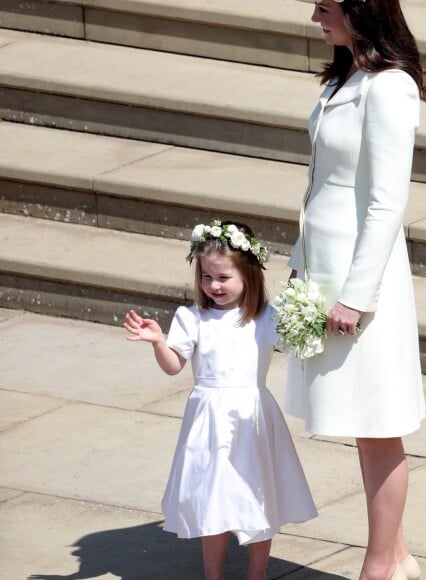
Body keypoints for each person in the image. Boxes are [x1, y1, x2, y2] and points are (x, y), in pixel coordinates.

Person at [286, 1, 426, 579]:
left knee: (378, 425)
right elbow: (319, 183)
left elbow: (386, 203)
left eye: (325, 7)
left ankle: (378, 568)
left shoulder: (389, 88)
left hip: (361, 280)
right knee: (362, 423)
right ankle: (398, 558)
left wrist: (356, 295)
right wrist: (302, 265)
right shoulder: (345, 74)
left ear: (361, 9)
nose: (314, 17)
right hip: (325, 270)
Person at [123, 220, 317, 580]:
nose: (214, 285)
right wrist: (158, 342)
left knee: (258, 495)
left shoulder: (265, 318)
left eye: (223, 277)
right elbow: (173, 366)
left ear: (248, 275)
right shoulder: (193, 318)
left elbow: (297, 345)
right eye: (207, 277)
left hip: (252, 417)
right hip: (208, 421)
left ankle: (256, 573)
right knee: (211, 498)